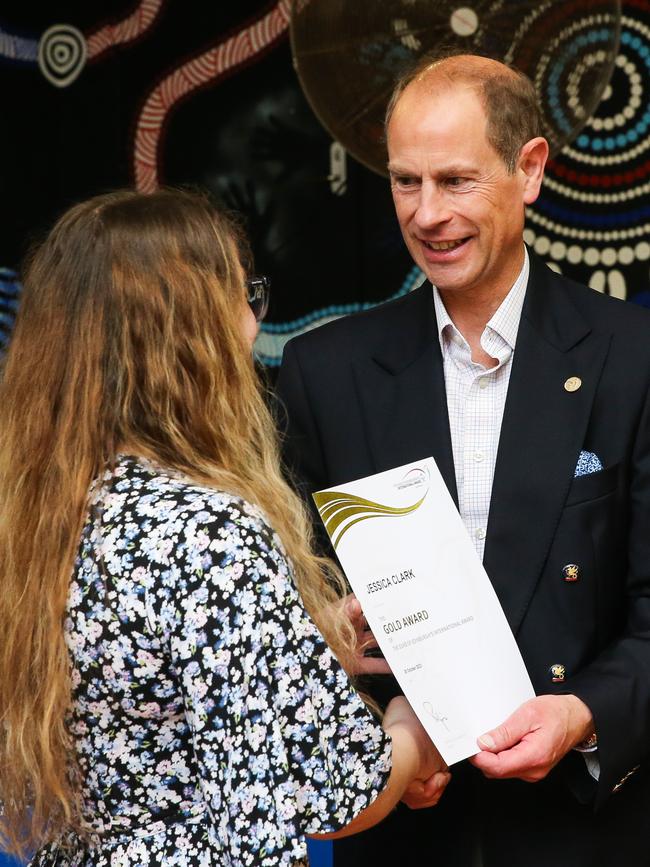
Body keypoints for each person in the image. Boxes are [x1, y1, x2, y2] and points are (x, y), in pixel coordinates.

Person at [0, 188, 450, 867]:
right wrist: (412, 730)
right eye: (244, 297)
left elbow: (152, 695)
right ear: (191, 335)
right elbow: (333, 790)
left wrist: (297, 645)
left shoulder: (42, 507)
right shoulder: (207, 529)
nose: (251, 326)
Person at [277, 53, 650, 867]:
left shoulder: (634, 357)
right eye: (406, 182)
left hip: (584, 832)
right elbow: (284, 612)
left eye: (454, 180)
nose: (427, 213)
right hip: (403, 827)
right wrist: (334, 642)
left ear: (530, 170)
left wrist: (583, 712)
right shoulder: (325, 372)